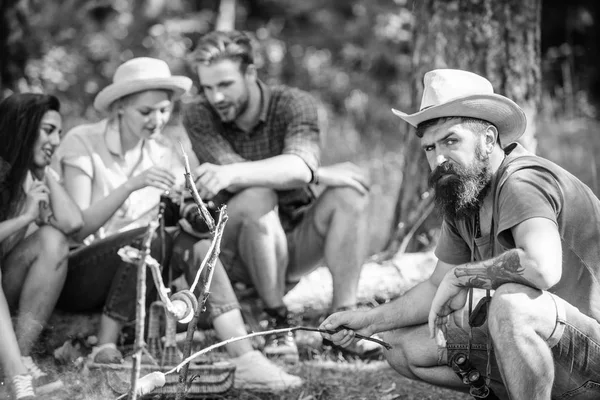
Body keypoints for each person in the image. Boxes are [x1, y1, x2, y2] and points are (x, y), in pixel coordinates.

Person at [320, 68, 600, 399]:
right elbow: (437, 284)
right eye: (429, 148)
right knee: (398, 346)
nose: (439, 159)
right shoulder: (463, 192)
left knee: (511, 304)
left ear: (488, 139)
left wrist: (464, 275)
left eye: (451, 140)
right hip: (553, 351)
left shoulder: (523, 182)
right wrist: (369, 321)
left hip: (590, 350)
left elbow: (542, 266)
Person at [54, 57, 302, 391]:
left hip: (141, 274)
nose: (156, 120)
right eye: (146, 112)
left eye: (164, 110)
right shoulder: (82, 142)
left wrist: (191, 211)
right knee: (151, 237)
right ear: (120, 108)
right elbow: (76, 228)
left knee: (197, 244)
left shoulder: (165, 152)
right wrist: (133, 184)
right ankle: (105, 345)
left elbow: (177, 218)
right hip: (80, 273)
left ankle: (245, 357)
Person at [183, 30, 374, 363]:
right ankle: (276, 319)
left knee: (348, 194)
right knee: (257, 192)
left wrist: (305, 170)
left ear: (251, 74)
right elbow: (234, 173)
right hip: (236, 249)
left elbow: (298, 166)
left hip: (294, 238)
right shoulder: (197, 113)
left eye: (225, 84)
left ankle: (343, 323)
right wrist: (310, 171)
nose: (216, 97)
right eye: (208, 87)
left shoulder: (293, 104)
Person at [0, 93, 84, 399]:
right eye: (48, 130)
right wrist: (25, 218)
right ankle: (16, 375)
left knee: (53, 239)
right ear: (22, 126)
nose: (56, 140)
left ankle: (17, 362)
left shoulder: (30, 176)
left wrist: (44, 170)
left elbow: (72, 223)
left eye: (59, 133)